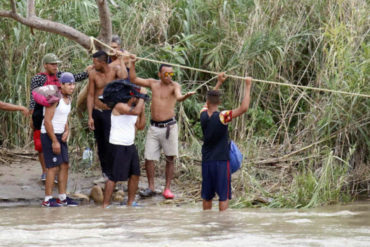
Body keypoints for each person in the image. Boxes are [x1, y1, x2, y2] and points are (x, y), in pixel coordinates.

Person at [129, 55, 195, 199]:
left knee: (170, 158)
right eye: (166, 74)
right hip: (154, 127)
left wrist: (185, 97)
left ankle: (167, 188)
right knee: (148, 158)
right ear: (159, 74)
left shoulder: (174, 86)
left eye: (171, 74)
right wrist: (132, 63)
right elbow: (134, 79)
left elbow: (179, 97)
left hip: (169, 127)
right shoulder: (153, 83)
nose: (169, 76)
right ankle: (151, 187)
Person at [29, 53, 90, 182]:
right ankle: (45, 171)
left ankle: (54, 172)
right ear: (45, 65)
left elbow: (74, 78)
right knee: (40, 145)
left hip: (56, 114)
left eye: (56, 64)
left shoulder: (60, 76)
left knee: (56, 141)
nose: (55, 67)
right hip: (40, 113)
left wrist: (87, 72)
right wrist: (32, 115)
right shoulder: (38, 79)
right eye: (52, 64)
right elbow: (33, 97)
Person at [200, 73, 252, 211]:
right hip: (221, 162)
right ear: (220, 103)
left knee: (207, 196)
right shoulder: (223, 116)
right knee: (223, 196)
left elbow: (208, 102)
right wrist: (248, 86)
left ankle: (207, 223)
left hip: (207, 161)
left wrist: (219, 82)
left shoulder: (203, 114)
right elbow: (244, 108)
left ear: (208, 102)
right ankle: (222, 225)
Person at [102, 86, 147, 208]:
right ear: (133, 97)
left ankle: (130, 202)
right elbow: (135, 111)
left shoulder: (134, 109)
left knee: (135, 174)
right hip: (117, 145)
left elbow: (141, 126)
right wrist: (142, 99)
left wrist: (142, 109)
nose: (140, 100)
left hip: (129, 145)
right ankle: (105, 205)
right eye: (138, 98)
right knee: (113, 177)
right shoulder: (119, 106)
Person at [87, 50, 128, 181]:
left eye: (95, 63)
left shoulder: (114, 70)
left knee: (112, 141)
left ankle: (114, 171)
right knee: (101, 143)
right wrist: (90, 116)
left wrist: (121, 59)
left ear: (102, 62)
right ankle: (105, 172)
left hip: (111, 112)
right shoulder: (93, 74)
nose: (93, 65)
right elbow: (90, 95)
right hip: (97, 111)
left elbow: (123, 77)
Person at [41, 72, 78, 207]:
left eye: (73, 84)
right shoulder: (55, 98)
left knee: (65, 165)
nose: (72, 87)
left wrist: (67, 130)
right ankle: (47, 200)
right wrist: (54, 141)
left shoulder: (68, 99)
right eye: (69, 84)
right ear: (61, 85)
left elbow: (64, 117)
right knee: (53, 167)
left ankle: (62, 197)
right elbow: (47, 121)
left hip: (60, 135)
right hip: (49, 135)